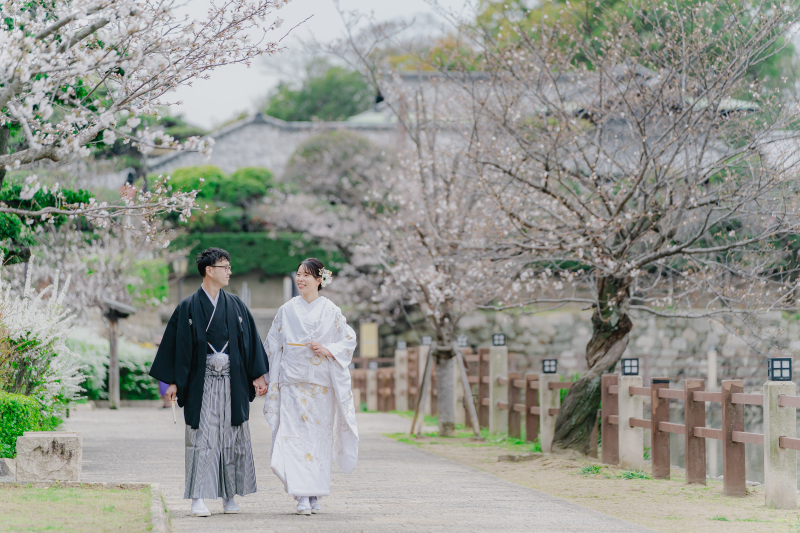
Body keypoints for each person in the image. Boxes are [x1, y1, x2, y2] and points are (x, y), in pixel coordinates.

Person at [149, 248, 269, 517]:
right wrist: (173, 382)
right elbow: (176, 347)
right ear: (209, 270)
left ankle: (229, 496)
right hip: (201, 384)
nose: (229, 272)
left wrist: (258, 375)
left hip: (232, 382)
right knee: (202, 437)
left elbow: (250, 342)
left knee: (231, 437)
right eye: (225, 267)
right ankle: (198, 497)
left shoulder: (236, 305)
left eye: (229, 267)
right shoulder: (188, 307)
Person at [263, 258, 358, 515]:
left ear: (319, 279)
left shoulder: (331, 310)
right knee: (294, 438)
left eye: (306, 275)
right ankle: (302, 495)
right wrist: (264, 377)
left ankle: (315, 492)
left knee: (318, 440)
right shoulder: (286, 310)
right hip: (292, 384)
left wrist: (328, 349)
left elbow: (349, 339)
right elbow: (272, 344)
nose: (300, 279)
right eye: (298, 274)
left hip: (321, 386)